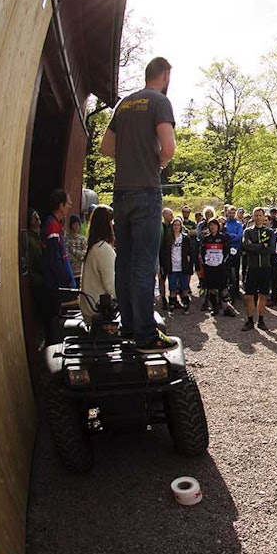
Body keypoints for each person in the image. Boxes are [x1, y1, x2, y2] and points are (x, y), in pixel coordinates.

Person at [100, 56, 178, 353]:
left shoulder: (125, 103)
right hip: (146, 190)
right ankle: (146, 335)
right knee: (146, 263)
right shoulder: (159, 101)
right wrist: (157, 162)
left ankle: (129, 326)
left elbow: (106, 147)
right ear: (166, 75)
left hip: (120, 193)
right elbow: (168, 147)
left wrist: (130, 154)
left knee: (126, 261)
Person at [41, 188, 77, 316]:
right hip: (53, 284)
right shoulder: (52, 225)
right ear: (60, 206)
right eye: (68, 203)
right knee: (54, 320)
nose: (70, 205)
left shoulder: (56, 224)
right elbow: (54, 259)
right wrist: (66, 279)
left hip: (56, 282)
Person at [79, 205, 116, 324]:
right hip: (98, 308)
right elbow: (111, 286)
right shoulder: (102, 249)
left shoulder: (94, 246)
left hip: (89, 306)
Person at [241, 207, 274, 332]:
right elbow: (246, 246)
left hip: (265, 267)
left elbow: (271, 249)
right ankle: (250, 320)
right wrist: (261, 246)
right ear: (253, 216)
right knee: (249, 295)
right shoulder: (248, 231)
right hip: (252, 267)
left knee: (263, 295)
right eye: (256, 215)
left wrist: (255, 246)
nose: (258, 217)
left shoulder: (269, 232)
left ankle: (261, 320)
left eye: (260, 215)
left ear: (264, 216)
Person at [199, 218, 235, 316]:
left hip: (220, 266)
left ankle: (225, 307)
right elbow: (202, 252)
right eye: (211, 225)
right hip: (209, 266)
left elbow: (227, 251)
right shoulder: (206, 238)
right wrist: (205, 263)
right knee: (211, 288)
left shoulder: (223, 237)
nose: (213, 227)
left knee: (223, 287)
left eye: (214, 225)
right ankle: (214, 307)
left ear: (218, 226)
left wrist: (223, 262)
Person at [163, 217, 195, 314]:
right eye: (174, 225)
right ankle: (172, 307)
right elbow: (165, 253)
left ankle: (186, 306)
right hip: (172, 267)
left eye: (178, 225)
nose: (176, 227)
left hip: (182, 266)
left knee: (184, 288)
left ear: (181, 226)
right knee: (172, 288)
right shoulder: (168, 238)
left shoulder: (185, 238)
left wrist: (189, 266)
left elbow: (190, 252)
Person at [66, 214, 87, 283]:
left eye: (78, 224)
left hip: (80, 273)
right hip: (69, 271)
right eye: (74, 224)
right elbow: (67, 255)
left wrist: (73, 251)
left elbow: (83, 255)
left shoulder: (82, 239)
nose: (76, 226)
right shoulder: (66, 239)